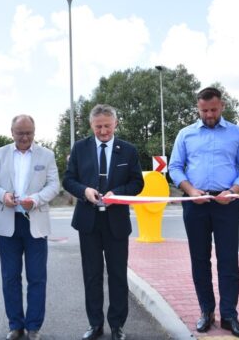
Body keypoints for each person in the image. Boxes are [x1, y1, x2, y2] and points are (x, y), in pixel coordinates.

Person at [168, 87, 239, 339]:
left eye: (213, 110)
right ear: (198, 108)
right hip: (195, 202)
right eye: (204, 110)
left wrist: (233, 190)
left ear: (222, 106)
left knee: (228, 260)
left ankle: (229, 316)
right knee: (199, 259)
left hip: (227, 202)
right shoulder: (186, 134)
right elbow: (175, 167)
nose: (209, 115)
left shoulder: (237, 134)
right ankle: (206, 311)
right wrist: (190, 190)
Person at [62, 104, 143, 340]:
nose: (103, 131)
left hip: (116, 222)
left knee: (117, 275)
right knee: (92, 275)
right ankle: (95, 324)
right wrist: (84, 191)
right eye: (98, 127)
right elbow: (68, 180)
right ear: (91, 125)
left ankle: (117, 325)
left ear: (116, 123)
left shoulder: (128, 150)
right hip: (88, 223)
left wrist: (116, 194)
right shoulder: (80, 148)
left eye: (107, 126)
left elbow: (137, 183)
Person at [0, 115, 60, 340]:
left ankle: (34, 327)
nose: (25, 137)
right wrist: (3, 195)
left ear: (34, 132)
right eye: (20, 133)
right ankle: (15, 325)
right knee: (10, 277)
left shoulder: (47, 155)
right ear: (12, 132)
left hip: (35, 222)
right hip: (8, 224)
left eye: (29, 133)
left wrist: (36, 199)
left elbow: (54, 184)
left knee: (37, 277)